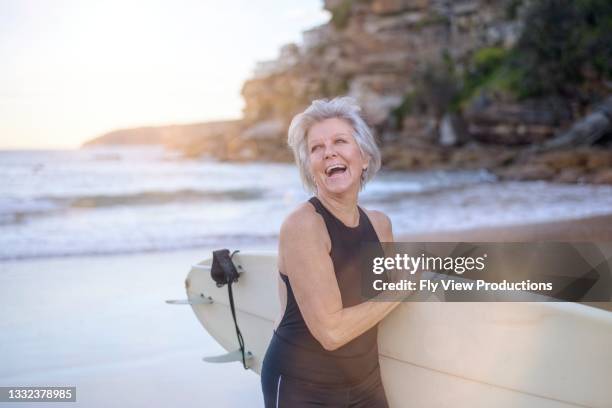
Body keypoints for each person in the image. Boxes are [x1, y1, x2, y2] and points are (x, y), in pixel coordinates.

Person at [261, 96, 402, 407]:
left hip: (366, 382)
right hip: (304, 386)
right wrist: (403, 290)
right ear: (311, 169)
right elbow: (332, 332)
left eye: (340, 140)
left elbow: (385, 304)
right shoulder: (303, 226)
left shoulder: (381, 226)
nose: (329, 153)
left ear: (364, 157)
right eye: (316, 148)